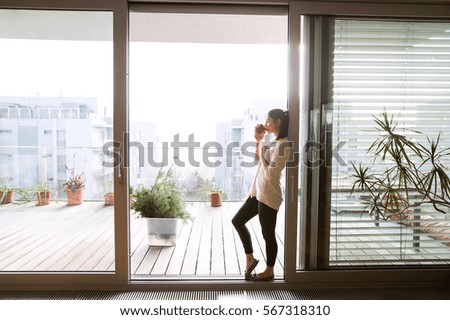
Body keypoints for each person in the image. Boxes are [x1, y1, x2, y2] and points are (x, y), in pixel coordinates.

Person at [232, 108, 291, 282]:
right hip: (258, 192)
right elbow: (258, 160)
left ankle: (269, 270)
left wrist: (265, 150)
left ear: (277, 122)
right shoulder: (274, 141)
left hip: (269, 194)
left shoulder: (284, 145)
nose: (265, 124)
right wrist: (259, 141)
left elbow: (272, 174)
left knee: (268, 234)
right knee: (237, 220)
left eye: (268, 120)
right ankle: (249, 257)